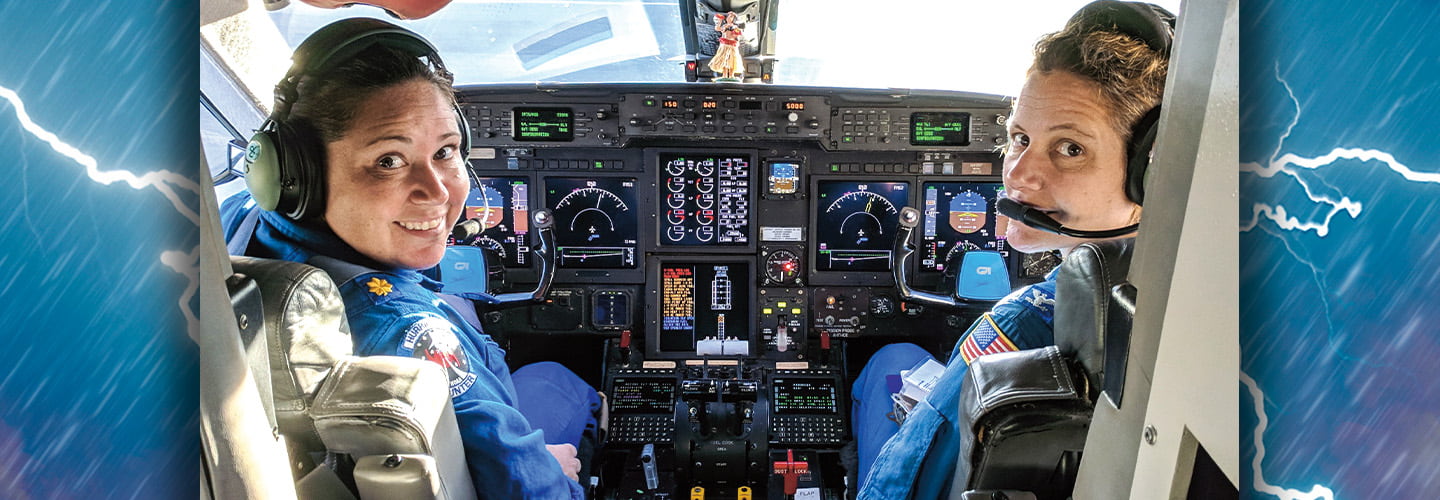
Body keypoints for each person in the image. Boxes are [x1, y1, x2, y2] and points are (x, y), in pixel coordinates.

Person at [221, 18, 597, 499]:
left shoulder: (241, 217)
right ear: (299, 175)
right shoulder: (407, 332)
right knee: (560, 379)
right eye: (388, 161)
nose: (437, 192)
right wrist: (551, 469)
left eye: (445, 151)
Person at [851, 1, 1172, 498]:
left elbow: (899, 487)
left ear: (1150, 172)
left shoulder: (1024, 321)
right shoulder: (1178, 290)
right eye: (1020, 137)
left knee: (886, 360)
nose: (1019, 175)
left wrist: (938, 410)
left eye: (1070, 148)